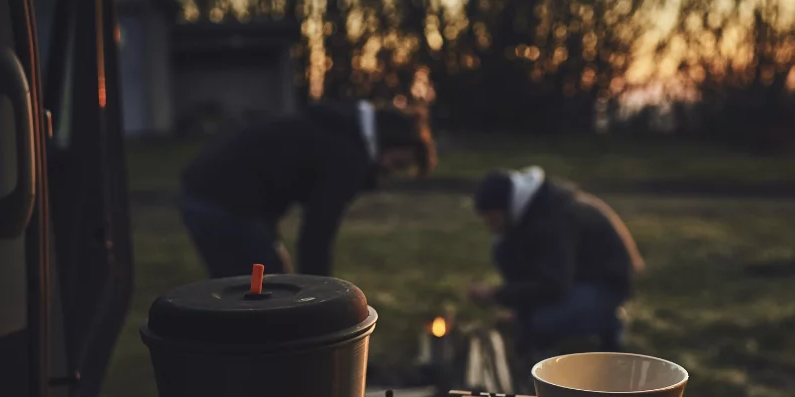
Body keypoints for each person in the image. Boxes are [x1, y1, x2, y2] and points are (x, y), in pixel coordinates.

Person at [179, 101, 435, 278]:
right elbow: (317, 234)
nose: (391, 171)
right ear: (387, 141)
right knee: (260, 292)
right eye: (398, 163)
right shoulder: (346, 155)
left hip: (216, 194)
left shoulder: (340, 131)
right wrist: (321, 297)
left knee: (264, 282)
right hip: (218, 200)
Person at [468, 166, 643, 359]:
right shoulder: (533, 215)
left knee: (541, 322)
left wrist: (497, 295)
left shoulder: (554, 220)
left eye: (492, 220)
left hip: (604, 285)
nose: (491, 228)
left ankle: (607, 323)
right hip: (576, 279)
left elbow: (553, 284)